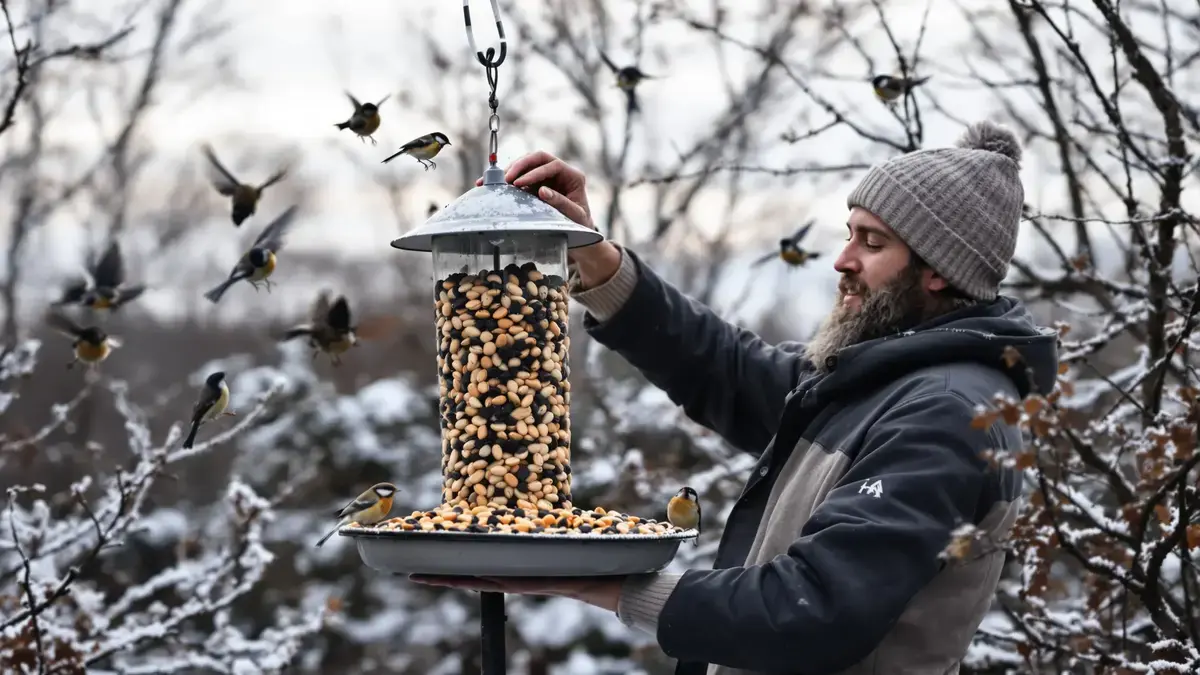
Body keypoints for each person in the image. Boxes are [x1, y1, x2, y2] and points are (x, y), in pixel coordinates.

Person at [410, 120, 1061, 675]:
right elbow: (730, 373)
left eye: (873, 242)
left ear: (939, 268)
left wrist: (596, 582)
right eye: (849, 232)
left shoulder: (947, 411)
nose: (841, 260)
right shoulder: (886, 382)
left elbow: (814, 608)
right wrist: (600, 263)